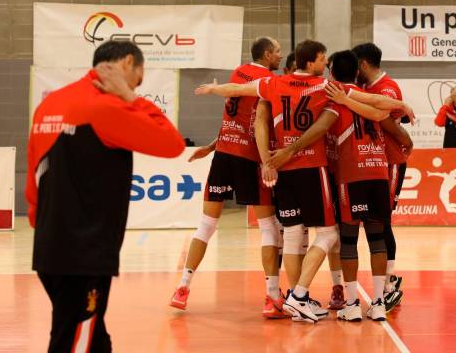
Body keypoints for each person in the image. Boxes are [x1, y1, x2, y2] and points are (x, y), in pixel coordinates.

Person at [26, 40, 185, 352]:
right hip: (85, 253)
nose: (138, 85)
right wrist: (130, 97)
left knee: (93, 337)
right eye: (139, 77)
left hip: (50, 246)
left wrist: (46, 229)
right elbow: (172, 143)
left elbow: (33, 180)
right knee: (74, 341)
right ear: (127, 63)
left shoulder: (50, 103)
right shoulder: (106, 106)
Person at [171, 37, 288, 319]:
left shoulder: (237, 73)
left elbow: (232, 120)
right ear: (267, 55)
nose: (281, 56)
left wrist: (212, 146)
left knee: (207, 224)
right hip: (249, 157)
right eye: (278, 52)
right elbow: (258, 122)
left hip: (224, 153)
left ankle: (182, 288)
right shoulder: (267, 80)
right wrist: (266, 162)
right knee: (269, 226)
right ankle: (272, 296)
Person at [323, 50, 392, 322]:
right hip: (378, 171)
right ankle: (378, 302)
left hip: (352, 175)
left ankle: (351, 304)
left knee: (348, 240)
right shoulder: (368, 99)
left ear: (331, 72)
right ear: (357, 72)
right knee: (377, 238)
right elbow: (387, 109)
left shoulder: (333, 96)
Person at [353, 42, 413, 312]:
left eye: (357, 65)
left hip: (390, 161)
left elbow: (388, 121)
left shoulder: (386, 88)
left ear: (364, 64)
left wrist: (405, 139)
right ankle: (388, 278)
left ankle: (388, 284)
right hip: (374, 161)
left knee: (383, 220)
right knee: (375, 221)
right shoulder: (367, 87)